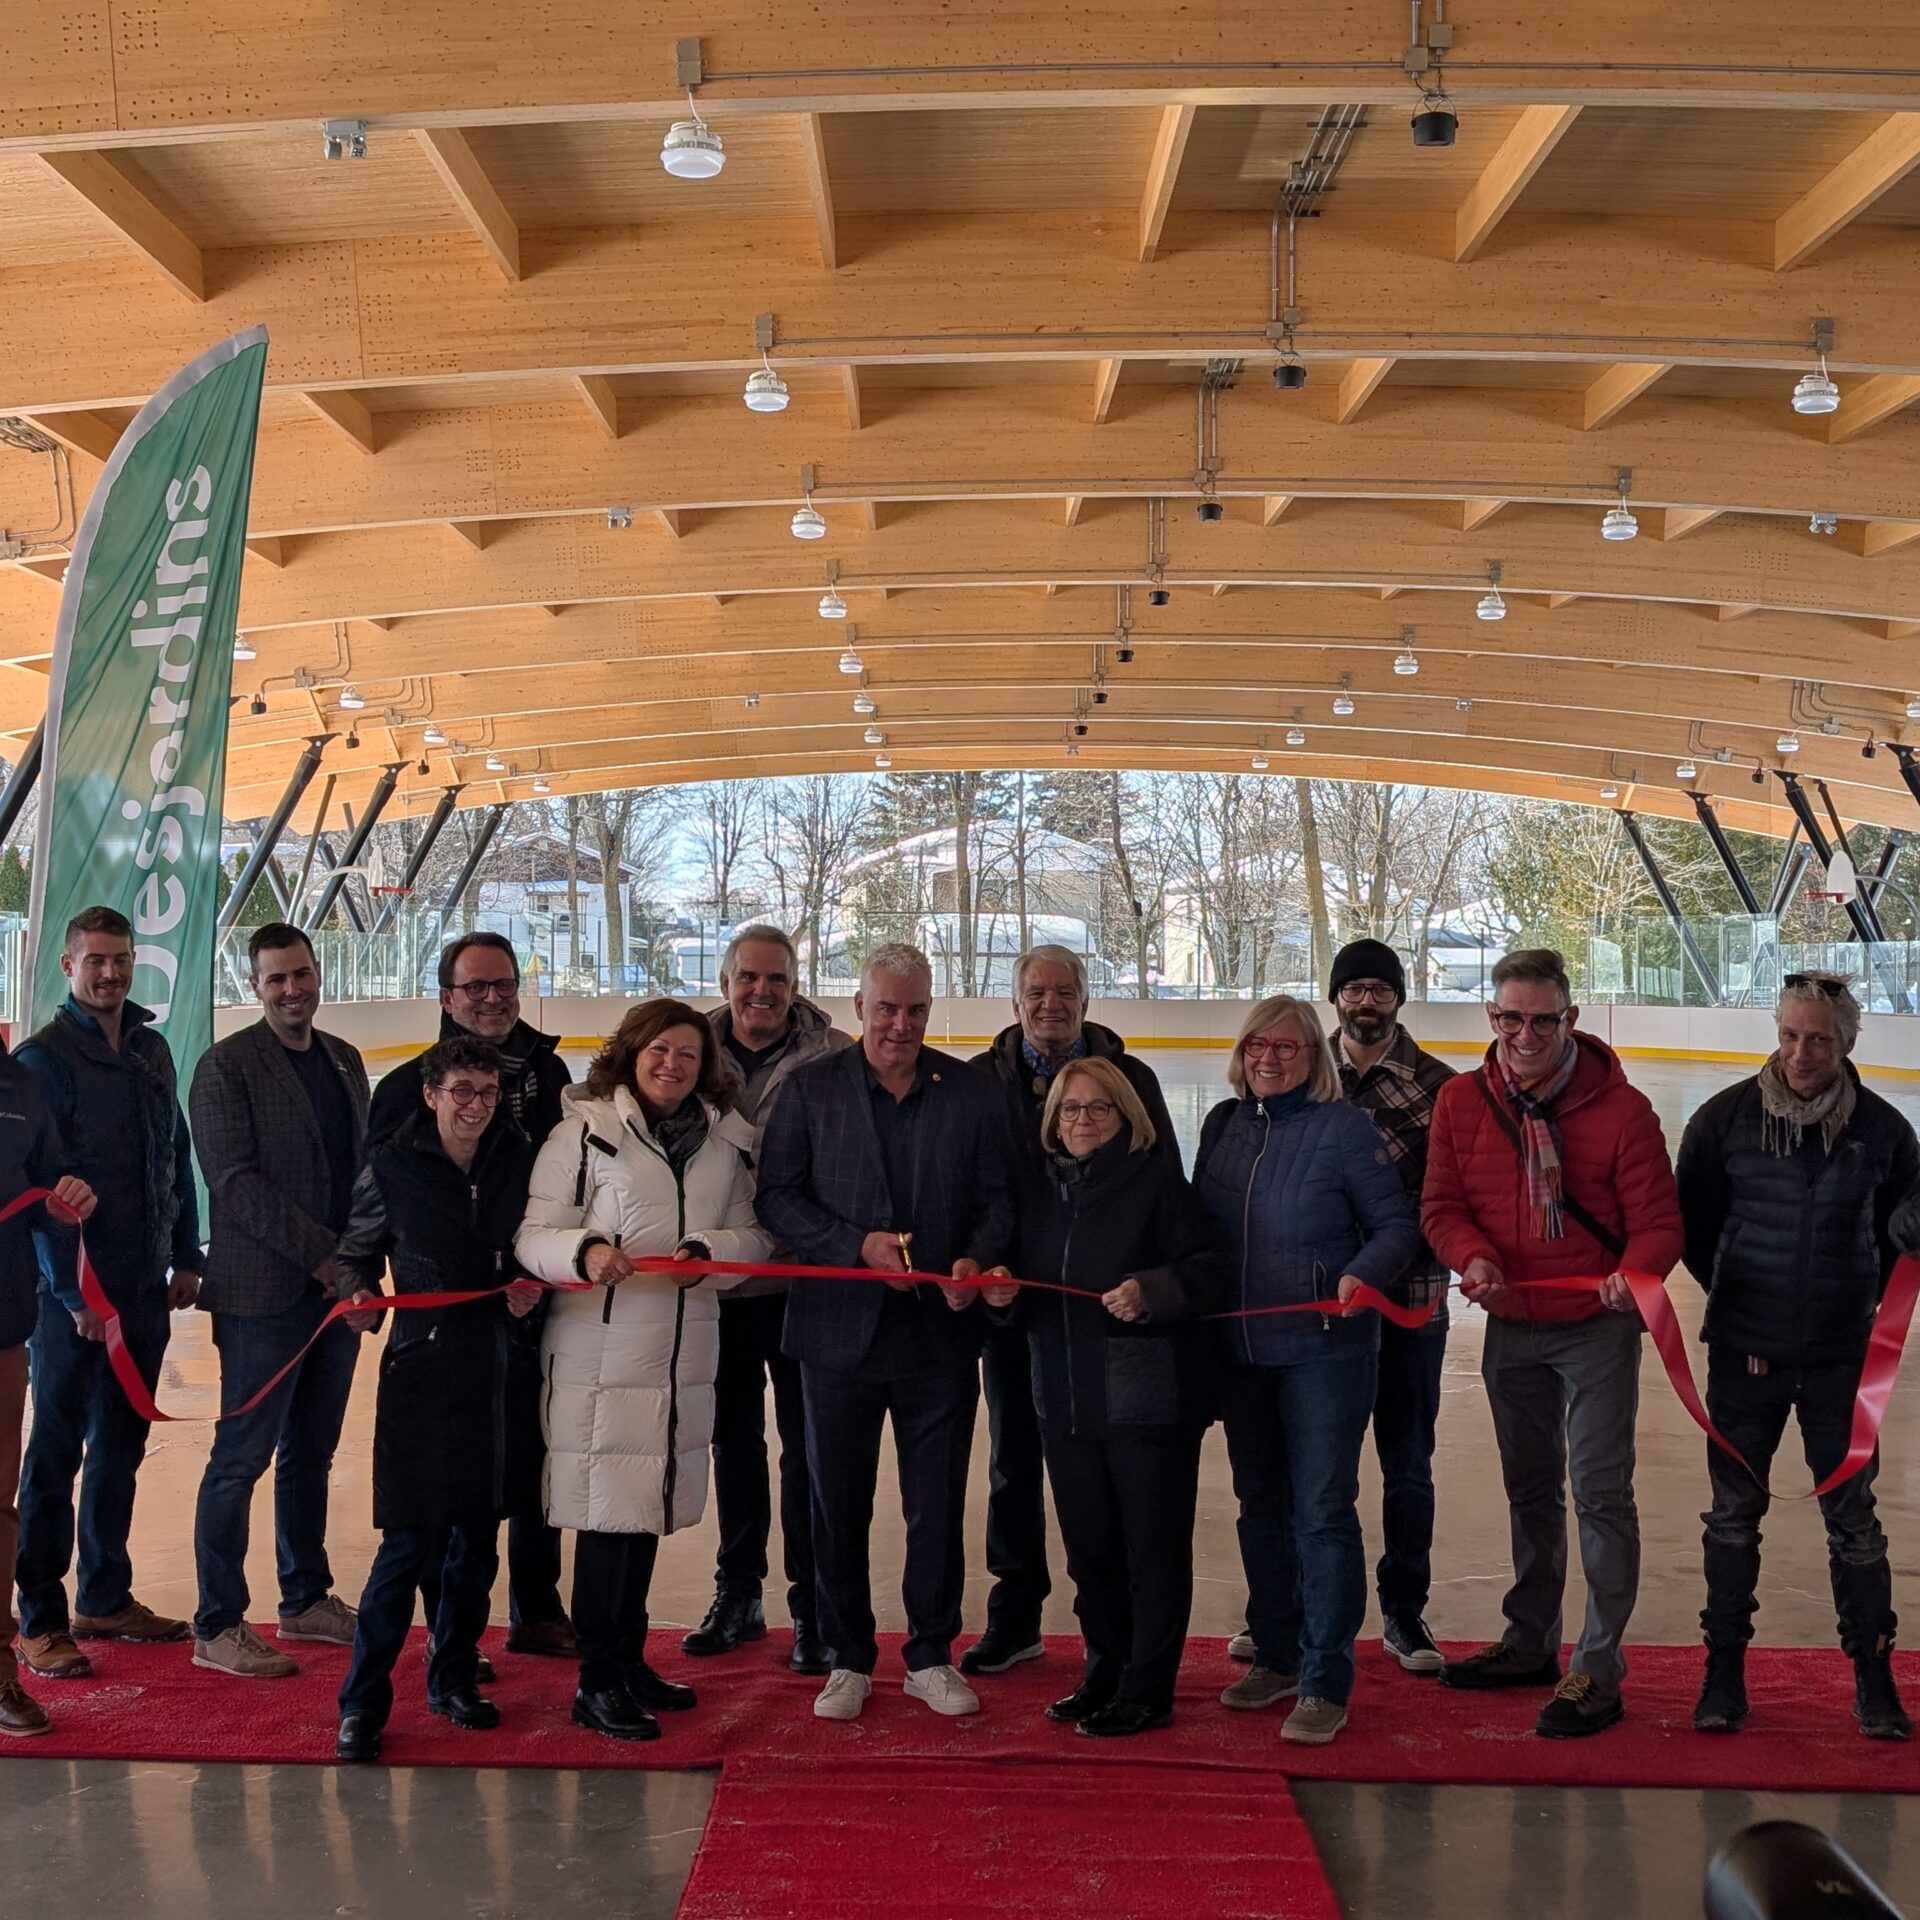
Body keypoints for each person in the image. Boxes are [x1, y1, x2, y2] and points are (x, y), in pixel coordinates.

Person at [755, 943, 1016, 1724]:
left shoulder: (969, 1091)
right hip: (836, 1338)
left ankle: (931, 1654)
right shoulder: (810, 1090)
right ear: (859, 1008)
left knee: (934, 1506)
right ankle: (848, 1657)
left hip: (939, 1338)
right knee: (836, 1504)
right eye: (887, 1009)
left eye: (915, 1010)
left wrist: (974, 1258)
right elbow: (777, 1197)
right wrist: (853, 1246)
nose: (901, 1024)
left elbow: (998, 1199)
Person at [1425, 947, 1682, 1738]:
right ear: (1492, 1017)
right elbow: (1441, 1205)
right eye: (1511, 1019)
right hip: (1512, 1323)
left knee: (1601, 1493)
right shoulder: (1461, 1103)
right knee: (1530, 1488)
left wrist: (1633, 1273)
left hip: (1596, 1328)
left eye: (1543, 1020)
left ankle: (1597, 1671)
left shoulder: (1624, 1111)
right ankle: (1531, 1640)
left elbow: (1660, 1224)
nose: (1526, 1035)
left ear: (1570, 1019)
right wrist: (1472, 1256)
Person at [516, 999, 769, 1742]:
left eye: (688, 1053)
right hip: (600, 1356)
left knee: (646, 1511)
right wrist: (585, 1251)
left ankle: (628, 1661)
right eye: (659, 1049)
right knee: (607, 1518)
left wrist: (712, 1252)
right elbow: (533, 1234)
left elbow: (754, 1234)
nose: (672, 1064)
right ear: (630, 1054)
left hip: (683, 1355)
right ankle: (596, 1680)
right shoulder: (582, 1133)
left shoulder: (725, 1143)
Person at [1677, 970, 1920, 1741]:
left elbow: (1899, 1236)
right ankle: (1722, 1674)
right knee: (1732, 1518)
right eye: (1789, 1035)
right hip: (1744, 1357)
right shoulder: (1723, 1122)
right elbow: (1693, 1230)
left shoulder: (1884, 1132)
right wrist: (1746, 1302)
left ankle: (1873, 1679)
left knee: (1855, 1522)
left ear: (1847, 1042)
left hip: (1842, 1359)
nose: (1800, 1052)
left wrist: (1861, 1288)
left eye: (1818, 1039)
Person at [1192, 995, 1418, 1748]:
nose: (1269, 1058)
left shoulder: (1344, 1129)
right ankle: (1277, 1653)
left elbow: (1396, 1226)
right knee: (1259, 1506)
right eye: (1257, 1045)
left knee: (1321, 1511)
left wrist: (1363, 1273)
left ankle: (1325, 1678)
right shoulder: (1223, 1126)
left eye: (1286, 1046)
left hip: (1326, 1353)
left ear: (1313, 1056)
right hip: (1242, 1355)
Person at [984, 1057, 1228, 1736]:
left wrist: (1153, 1290)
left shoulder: (1158, 1185)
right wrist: (1003, 1294)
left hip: (1145, 1405)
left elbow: (1213, 1269)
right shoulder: (1040, 1192)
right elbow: (1022, 1286)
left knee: (1150, 1552)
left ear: (1126, 1116)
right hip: (1065, 1400)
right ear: (1053, 1120)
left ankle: (1147, 1688)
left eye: (1098, 1108)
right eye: (1070, 1108)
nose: (1083, 1120)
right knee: (1090, 1551)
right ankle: (1104, 1671)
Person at [964, 943, 1178, 1679]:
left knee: (1106, 1483)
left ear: (1086, 1000)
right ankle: (1015, 1614)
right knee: (1013, 1461)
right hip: (1016, 1308)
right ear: (1015, 1002)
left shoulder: (1132, 1079)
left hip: (1106, 1323)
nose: (1050, 1004)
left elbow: (1163, 1190)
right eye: (1036, 992)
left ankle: (1111, 1637)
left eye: (1065, 992)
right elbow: (972, 1188)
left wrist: (1145, 1286)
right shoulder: (980, 1082)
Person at [333, 1036, 548, 1763]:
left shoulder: (519, 1158)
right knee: (407, 1547)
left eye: (486, 1093)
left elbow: (535, 1247)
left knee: (477, 1545)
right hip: (421, 1375)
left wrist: (529, 1290)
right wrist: (359, 1294)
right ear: (430, 1095)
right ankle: (362, 1703)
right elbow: (354, 1253)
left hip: (497, 1373)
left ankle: (453, 1677)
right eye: (461, 1091)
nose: (475, 1107)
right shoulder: (392, 1166)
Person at [369, 932, 576, 1663]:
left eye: (504, 984)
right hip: (447, 1323)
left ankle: (537, 1608)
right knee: (447, 1482)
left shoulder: (548, 1073)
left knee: (531, 1454)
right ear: (447, 997)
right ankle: (448, 1634)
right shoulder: (405, 1090)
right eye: (476, 987)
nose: (493, 998)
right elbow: (384, 1204)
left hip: (536, 1300)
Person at [14, 906, 202, 1681]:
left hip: (144, 1287)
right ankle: (40, 1619)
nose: (110, 973)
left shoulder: (152, 1049)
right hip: (73, 1303)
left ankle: (104, 1596)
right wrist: (72, 1296)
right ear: (68, 967)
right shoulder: (42, 1060)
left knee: (122, 1446)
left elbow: (174, 1153)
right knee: (55, 1456)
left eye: (120, 959)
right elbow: (37, 1189)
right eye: (95, 960)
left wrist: (185, 1253)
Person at [188, 922, 372, 1679]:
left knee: (311, 1454)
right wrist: (327, 1258)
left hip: (335, 1296)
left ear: (317, 973)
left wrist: (357, 1266)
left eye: (301, 974)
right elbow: (234, 1185)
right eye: (276, 979)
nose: (292, 989)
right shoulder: (225, 1066)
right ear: (254, 985)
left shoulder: (344, 1059)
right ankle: (217, 1623)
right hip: (262, 1297)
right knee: (240, 1459)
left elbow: (363, 1175)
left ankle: (305, 1598)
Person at [687, 925, 849, 1673]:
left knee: (806, 1450)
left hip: (802, 1287)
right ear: (726, 983)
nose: (762, 991)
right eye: (748, 977)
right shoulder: (686, 1049)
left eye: (776, 978)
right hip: (721, 1286)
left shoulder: (835, 1054)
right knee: (735, 1443)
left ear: (795, 984)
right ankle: (739, 1592)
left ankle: (812, 1604)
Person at [1326, 938, 1457, 1674]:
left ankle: (1405, 1612)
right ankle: (1305, 1608)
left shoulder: (1440, 1087)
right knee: (1321, 1466)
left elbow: (1447, 1197)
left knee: (1408, 1465)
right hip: (1326, 1309)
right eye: (1355, 990)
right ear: (1336, 998)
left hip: (1412, 1306)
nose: (1367, 1001)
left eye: (1380, 989)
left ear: (1399, 998)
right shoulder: (1309, 1075)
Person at [0, 1036, 94, 1735]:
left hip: (3, 1327)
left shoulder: (19, 1086)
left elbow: (43, 1190)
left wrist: (62, 1203)